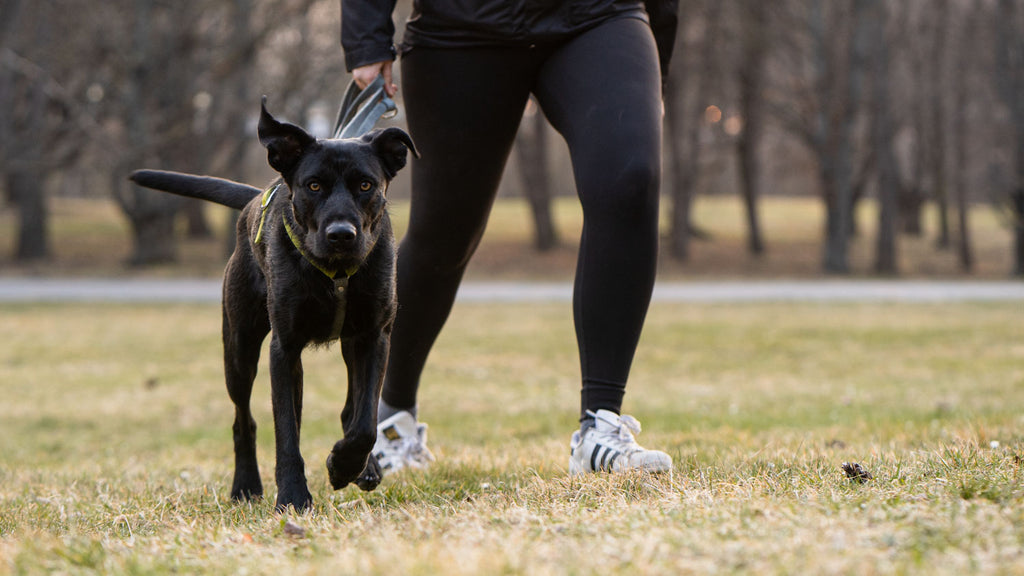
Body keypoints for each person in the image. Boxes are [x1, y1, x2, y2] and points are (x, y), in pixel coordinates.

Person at [341, 0, 679, 476]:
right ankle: (392, 418)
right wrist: (366, 38)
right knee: (445, 233)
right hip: (461, 27)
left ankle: (599, 428)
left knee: (631, 179)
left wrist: (656, 50)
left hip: (599, 16)